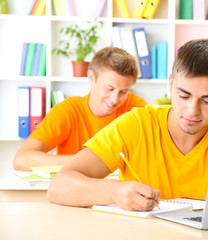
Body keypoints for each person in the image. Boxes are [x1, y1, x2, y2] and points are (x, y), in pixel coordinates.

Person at [47, 38, 208, 211]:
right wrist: (113, 191)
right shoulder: (137, 124)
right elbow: (59, 186)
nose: (192, 110)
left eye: (207, 101)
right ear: (170, 84)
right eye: (184, 95)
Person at [13, 46, 147, 171]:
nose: (115, 99)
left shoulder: (136, 109)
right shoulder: (67, 110)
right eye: (109, 88)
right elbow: (21, 160)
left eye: (123, 91)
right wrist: (89, 161)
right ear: (91, 78)